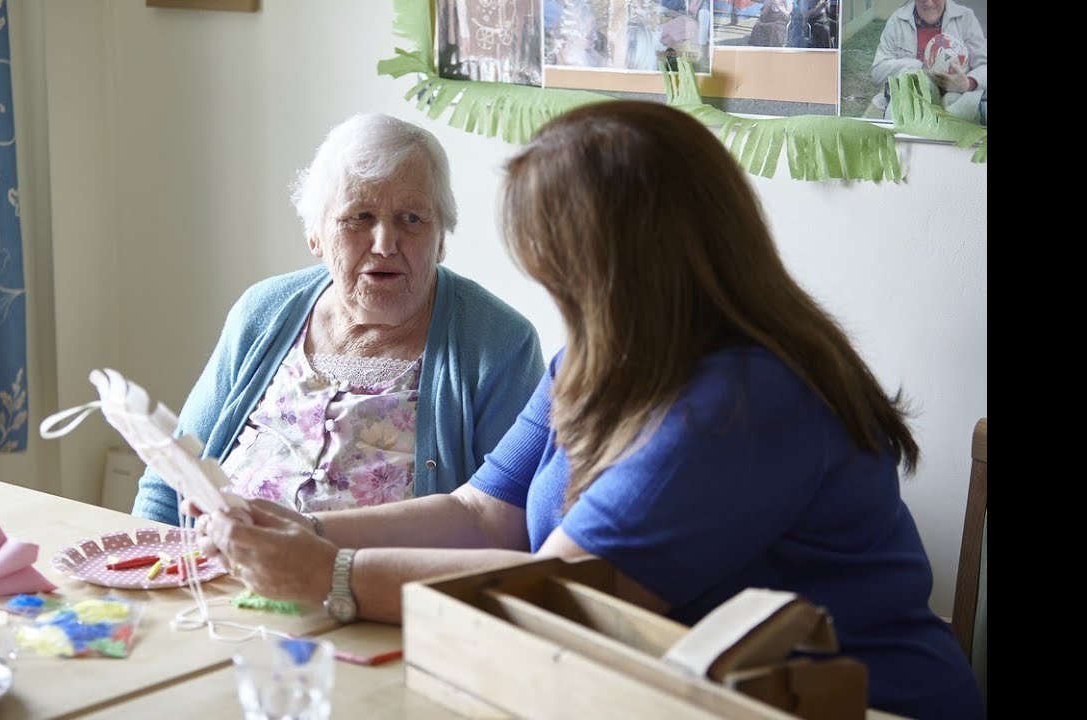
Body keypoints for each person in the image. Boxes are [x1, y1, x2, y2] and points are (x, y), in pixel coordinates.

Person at [187, 100, 984, 719]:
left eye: (555, 260)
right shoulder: (608, 355)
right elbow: (480, 512)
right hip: (681, 691)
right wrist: (301, 532)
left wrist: (333, 576)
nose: (546, 283)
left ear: (621, 263)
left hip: (853, 706)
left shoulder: (744, 400)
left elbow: (568, 584)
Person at [130, 113, 545, 526]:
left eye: (412, 218)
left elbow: (509, 524)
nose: (384, 244)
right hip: (220, 579)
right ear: (315, 235)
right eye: (358, 217)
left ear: (441, 240)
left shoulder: (499, 344)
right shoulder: (264, 310)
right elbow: (172, 480)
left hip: (381, 589)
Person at [871, 0, 987, 122]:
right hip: (910, 108)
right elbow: (878, 71)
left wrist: (967, 83)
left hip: (955, 109)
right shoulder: (897, 21)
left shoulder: (965, 18)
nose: (929, 3)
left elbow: (984, 65)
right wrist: (921, 68)